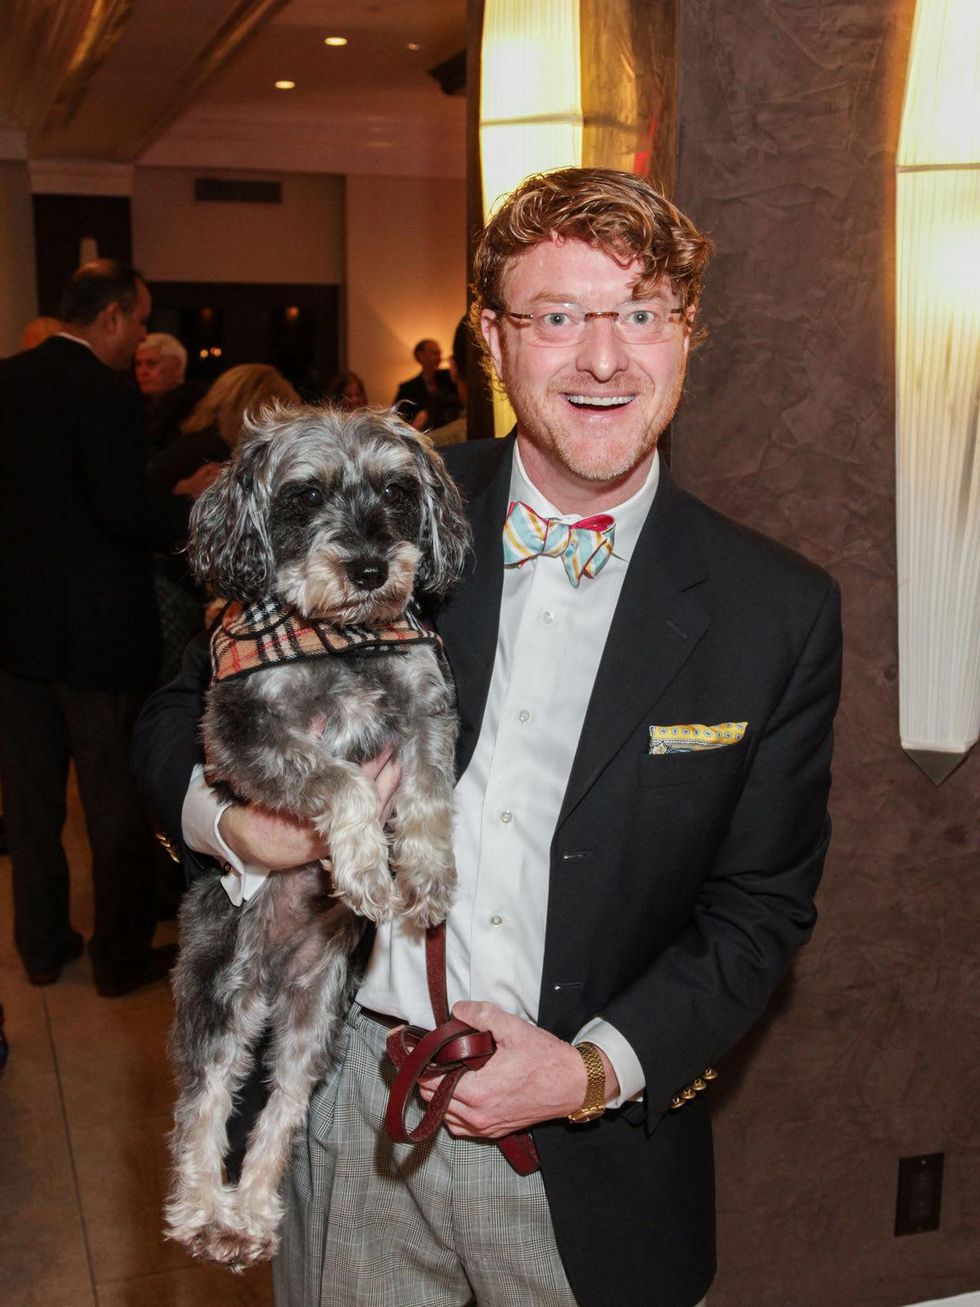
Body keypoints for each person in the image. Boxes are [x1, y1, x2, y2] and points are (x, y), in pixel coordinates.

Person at [132, 168, 842, 1307]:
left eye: (638, 313)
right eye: (556, 315)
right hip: (353, 1106)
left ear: (685, 335)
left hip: (594, 1152)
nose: (602, 359)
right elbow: (177, 713)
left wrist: (589, 1066)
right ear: (492, 343)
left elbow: (757, 908)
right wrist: (239, 827)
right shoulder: (374, 503)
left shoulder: (779, 612)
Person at [0, 258, 182, 995]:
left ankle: (42, 948)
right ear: (110, 316)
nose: (140, 333)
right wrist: (193, 509)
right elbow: (121, 511)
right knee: (114, 808)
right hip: (96, 641)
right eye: (138, 320)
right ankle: (118, 959)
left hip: (15, 633)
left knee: (32, 804)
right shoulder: (103, 394)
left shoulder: (5, 380)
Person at [135, 332, 206, 456]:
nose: (142, 371)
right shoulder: (137, 404)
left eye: (151, 363)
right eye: (138, 364)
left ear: (177, 366)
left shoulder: (193, 407)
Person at [393, 337, 461, 431]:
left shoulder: (451, 378)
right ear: (420, 356)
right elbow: (398, 422)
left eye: (439, 354)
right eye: (435, 353)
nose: (439, 358)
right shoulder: (407, 388)